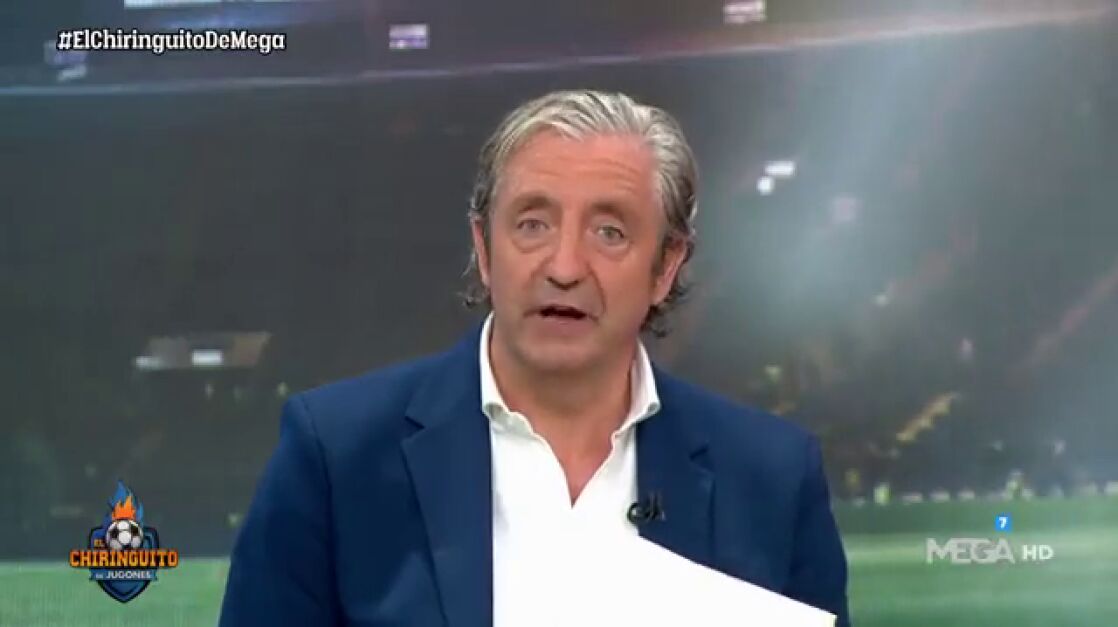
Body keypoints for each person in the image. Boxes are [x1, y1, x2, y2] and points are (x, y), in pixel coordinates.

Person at [220, 89, 850, 627]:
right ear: (484, 249)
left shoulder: (771, 479)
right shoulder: (336, 458)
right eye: (531, 224)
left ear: (665, 267)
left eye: (610, 232)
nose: (565, 267)